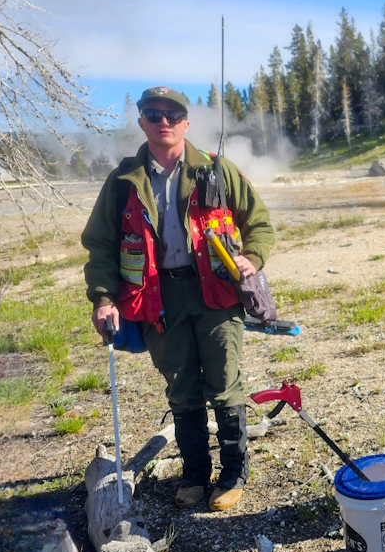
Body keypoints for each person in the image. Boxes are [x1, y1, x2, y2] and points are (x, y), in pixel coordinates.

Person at [82, 87, 274, 512]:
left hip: (216, 291)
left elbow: (258, 222)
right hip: (158, 295)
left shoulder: (217, 171)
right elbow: (100, 246)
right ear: (141, 122)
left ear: (187, 122)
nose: (162, 120)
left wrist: (251, 258)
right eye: (153, 113)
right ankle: (193, 475)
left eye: (172, 114)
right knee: (182, 387)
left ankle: (232, 473)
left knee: (224, 383)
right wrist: (103, 298)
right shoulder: (122, 182)